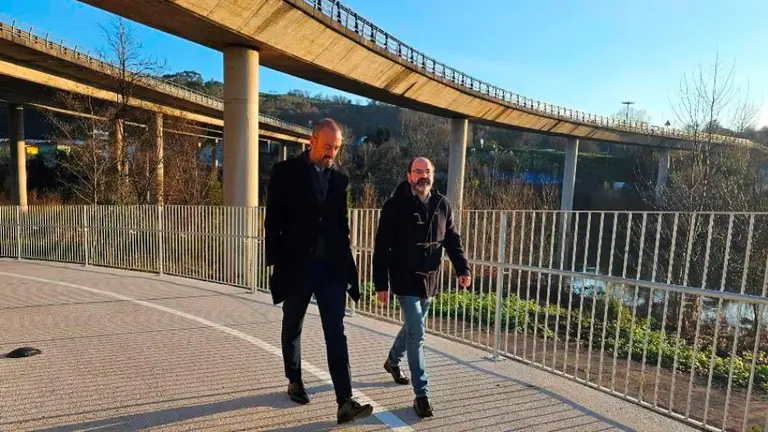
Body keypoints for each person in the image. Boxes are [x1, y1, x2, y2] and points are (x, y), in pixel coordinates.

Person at [264, 118, 373, 424]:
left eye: (336, 148)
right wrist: (276, 261)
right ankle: (295, 380)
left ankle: (344, 400)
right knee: (293, 325)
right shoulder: (284, 172)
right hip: (297, 265)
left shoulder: (341, 176)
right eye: (327, 147)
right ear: (312, 141)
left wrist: (348, 263)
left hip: (330, 269)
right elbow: (273, 221)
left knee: (336, 332)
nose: (332, 154)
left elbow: (341, 222)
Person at [372, 157, 471, 418]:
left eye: (427, 172)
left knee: (411, 328)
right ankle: (421, 394)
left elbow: (452, 240)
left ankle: (392, 361)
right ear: (409, 176)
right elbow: (382, 247)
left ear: (433, 176)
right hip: (404, 279)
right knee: (418, 333)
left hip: (431, 279)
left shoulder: (442, 204)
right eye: (418, 172)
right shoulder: (395, 205)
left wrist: (463, 269)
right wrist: (381, 284)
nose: (422, 176)